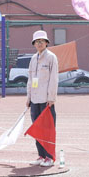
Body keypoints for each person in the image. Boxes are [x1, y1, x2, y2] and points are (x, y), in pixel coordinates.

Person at [26, 30, 58, 167]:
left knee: (47, 129)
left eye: (42, 41)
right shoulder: (33, 59)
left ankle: (49, 157)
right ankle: (41, 155)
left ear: (46, 43)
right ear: (34, 44)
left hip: (46, 100)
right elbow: (30, 79)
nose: (39, 44)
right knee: (37, 129)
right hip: (34, 99)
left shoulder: (51, 57)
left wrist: (51, 97)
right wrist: (28, 97)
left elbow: (54, 79)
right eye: (37, 42)